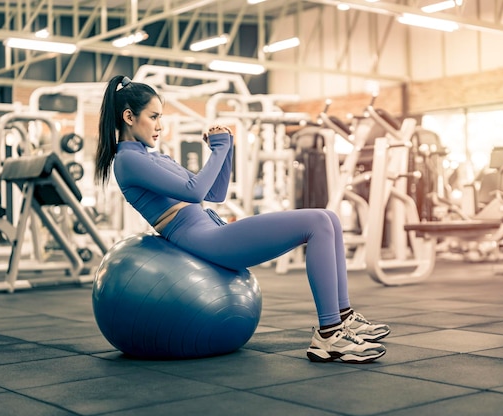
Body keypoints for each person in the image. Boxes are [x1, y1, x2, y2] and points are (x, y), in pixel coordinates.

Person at [95, 75, 391, 364]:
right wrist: (220, 149)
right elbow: (194, 190)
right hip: (202, 239)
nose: (160, 125)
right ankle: (329, 334)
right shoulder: (128, 160)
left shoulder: (152, 156)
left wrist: (225, 149)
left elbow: (215, 192)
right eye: (154, 116)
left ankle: (343, 317)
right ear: (129, 117)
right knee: (316, 223)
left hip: (212, 228)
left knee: (329, 218)